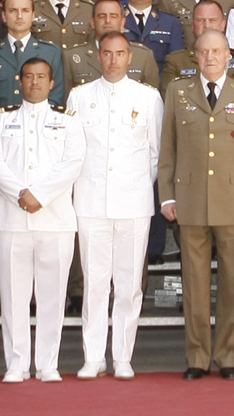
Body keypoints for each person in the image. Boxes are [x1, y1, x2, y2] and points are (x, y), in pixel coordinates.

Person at [158, 31, 234, 379]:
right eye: (204, 52)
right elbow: (168, 149)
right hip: (190, 200)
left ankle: (230, 356)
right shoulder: (178, 92)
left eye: (217, 51)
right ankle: (198, 357)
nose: (211, 58)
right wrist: (167, 195)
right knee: (195, 285)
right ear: (196, 57)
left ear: (228, 56)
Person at [67, 34, 164, 379]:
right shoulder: (79, 96)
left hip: (134, 202)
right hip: (91, 201)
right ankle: (93, 356)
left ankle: (123, 356)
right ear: (98, 55)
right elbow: (73, 150)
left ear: (129, 56)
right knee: (94, 283)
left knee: (128, 284)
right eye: (106, 53)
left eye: (119, 53)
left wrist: (134, 184)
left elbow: (155, 153)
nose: (112, 60)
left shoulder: (148, 98)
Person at [0, 60, 82, 383]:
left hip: (54, 218)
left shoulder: (67, 122)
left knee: (52, 296)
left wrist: (39, 194)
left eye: (41, 76)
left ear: (52, 82)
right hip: (11, 219)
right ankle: (16, 362)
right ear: (20, 81)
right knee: (13, 296)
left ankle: (47, 363)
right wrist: (20, 194)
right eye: (29, 76)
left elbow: (73, 163)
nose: (35, 82)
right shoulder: (1, 120)